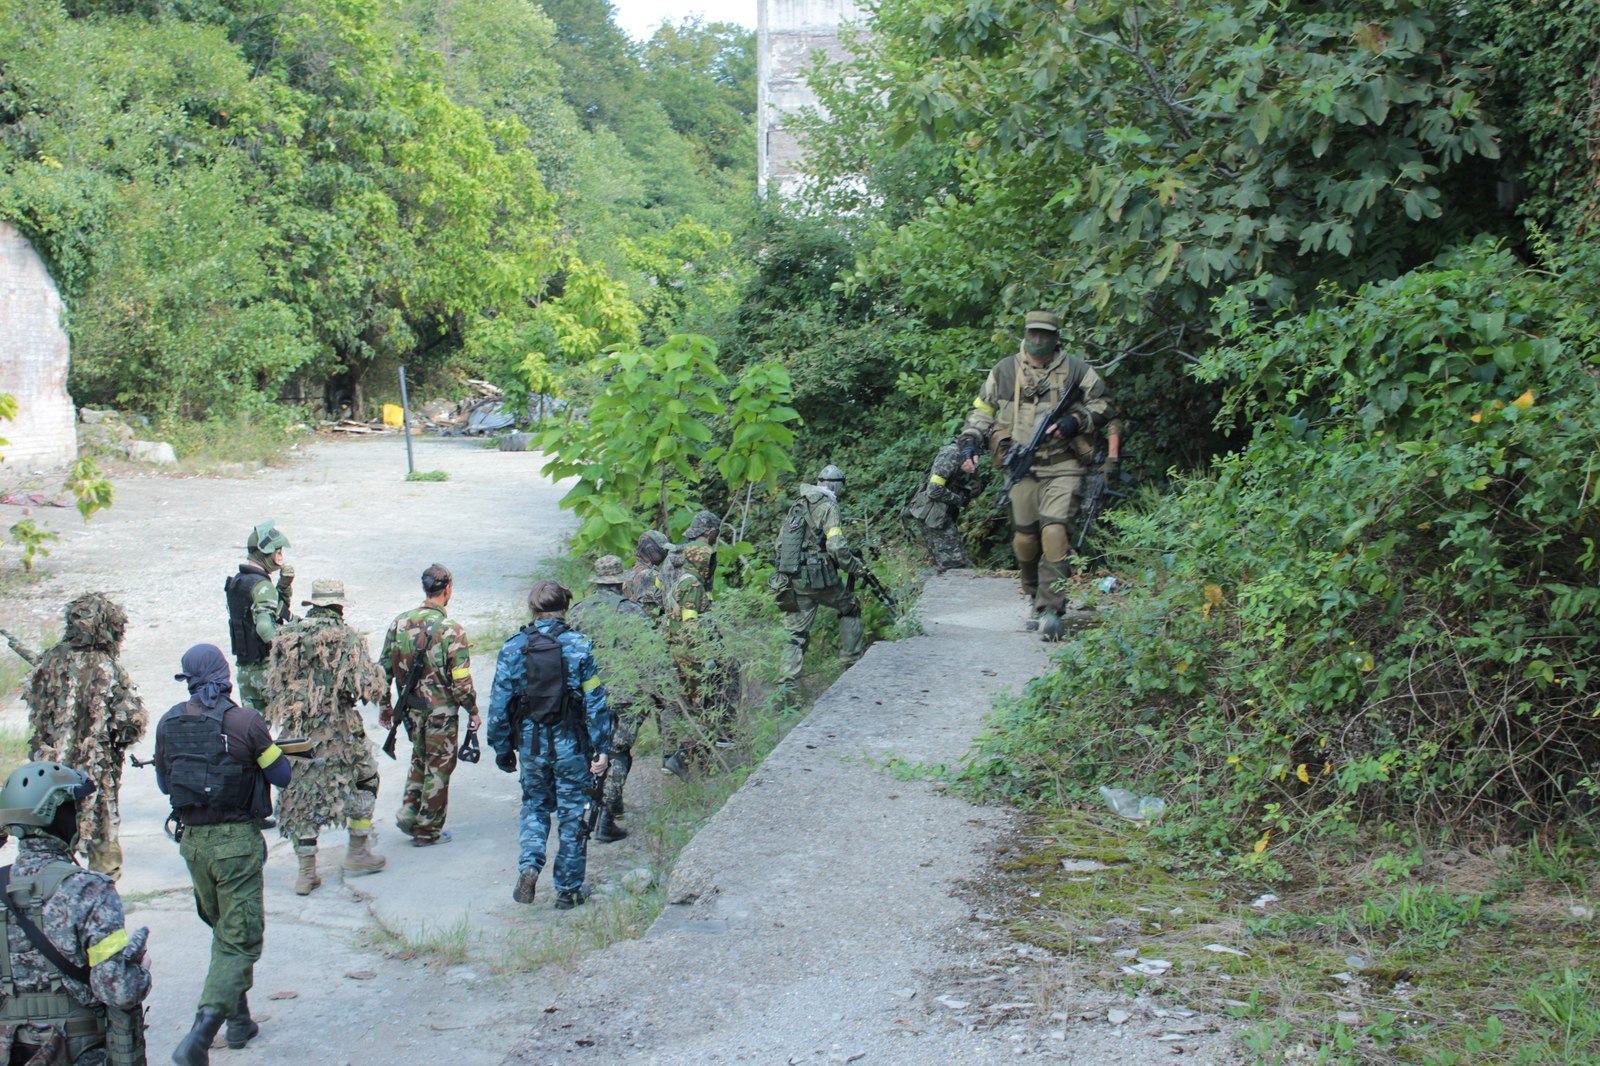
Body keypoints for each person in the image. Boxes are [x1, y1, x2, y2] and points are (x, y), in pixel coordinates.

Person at [155, 644, 292, 1066]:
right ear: (224, 673)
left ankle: (239, 1019)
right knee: (240, 939)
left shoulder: (169, 722)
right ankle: (202, 1031)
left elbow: (164, 784)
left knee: (225, 930)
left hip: (193, 844)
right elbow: (282, 775)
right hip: (236, 843)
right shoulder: (246, 721)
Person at [957, 310, 1114, 640]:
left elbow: (1105, 405)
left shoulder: (1076, 370)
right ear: (1025, 334)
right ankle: (1032, 591)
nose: (1039, 339)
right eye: (1033, 332)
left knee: (1055, 531)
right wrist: (970, 441)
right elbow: (982, 410)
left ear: (1057, 337)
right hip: (1021, 465)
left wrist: (1076, 420)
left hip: (1064, 463)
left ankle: (1051, 608)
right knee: (1025, 537)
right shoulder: (1004, 371)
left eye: (1045, 333)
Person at [0, 761, 152, 1065]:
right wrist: (140, 970)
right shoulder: (89, 889)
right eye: (72, 811)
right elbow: (118, 990)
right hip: (80, 1052)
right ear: (55, 816)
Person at [486, 580, 611, 910]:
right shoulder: (581, 647)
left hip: (531, 744)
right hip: (572, 745)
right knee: (573, 814)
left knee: (535, 806)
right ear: (565, 608)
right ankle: (568, 891)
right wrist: (602, 748)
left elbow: (499, 703)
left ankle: (529, 865)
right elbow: (596, 702)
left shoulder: (513, 647)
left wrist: (501, 747)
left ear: (533, 610)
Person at [263, 579, 389, 894]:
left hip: (296, 732)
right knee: (365, 779)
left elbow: (274, 685)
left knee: (300, 794)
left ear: (314, 605)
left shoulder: (287, 637)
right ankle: (358, 851)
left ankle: (306, 872)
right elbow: (363, 688)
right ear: (338, 606)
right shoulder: (346, 638)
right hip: (339, 731)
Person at [21, 594, 147, 880]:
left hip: (48, 777)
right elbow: (129, 724)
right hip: (95, 777)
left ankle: (55, 898)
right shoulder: (108, 668)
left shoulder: (49, 662)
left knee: (53, 840)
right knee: (103, 849)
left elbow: (35, 705)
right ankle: (101, 902)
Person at [378, 564, 479, 847]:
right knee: (439, 766)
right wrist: (472, 710)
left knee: (420, 757)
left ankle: (410, 811)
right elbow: (461, 680)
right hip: (441, 713)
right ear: (447, 590)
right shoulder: (452, 631)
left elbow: (383, 670)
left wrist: (385, 706)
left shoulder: (399, 623)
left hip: (411, 709)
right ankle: (427, 829)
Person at [567, 556, 646, 843]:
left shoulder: (578, 612)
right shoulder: (632, 611)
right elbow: (647, 653)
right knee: (618, 752)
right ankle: (606, 818)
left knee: (594, 750)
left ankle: (589, 810)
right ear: (620, 582)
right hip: (626, 694)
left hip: (590, 694)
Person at [771, 464, 866, 684]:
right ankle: (852, 665)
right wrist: (854, 567)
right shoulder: (828, 507)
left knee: (795, 633)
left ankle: (786, 684)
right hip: (819, 579)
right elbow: (836, 546)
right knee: (850, 607)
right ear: (836, 485)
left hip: (793, 577)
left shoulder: (798, 505)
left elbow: (779, 545)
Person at [223, 521, 294, 708]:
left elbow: (264, 614)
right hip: (266, 668)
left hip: (245, 669)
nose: (280, 557)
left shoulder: (237, 583)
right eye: (278, 552)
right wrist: (286, 653)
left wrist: (284, 586)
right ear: (265, 552)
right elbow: (264, 626)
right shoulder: (263, 586)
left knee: (255, 728)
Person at [901, 441, 983, 572]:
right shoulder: (951, 454)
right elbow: (934, 490)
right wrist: (958, 499)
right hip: (932, 515)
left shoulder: (965, 456)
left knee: (943, 567)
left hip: (940, 515)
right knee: (956, 566)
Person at [620, 531, 671, 617]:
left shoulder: (630, 574)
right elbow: (651, 611)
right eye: (662, 550)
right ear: (650, 550)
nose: (665, 553)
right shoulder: (649, 576)